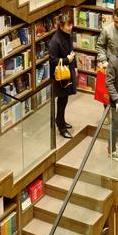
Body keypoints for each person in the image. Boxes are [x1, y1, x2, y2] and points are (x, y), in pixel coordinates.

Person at [48, 11, 76, 139]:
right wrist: (67, 61)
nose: (70, 28)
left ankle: (60, 120)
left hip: (68, 71)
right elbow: (52, 60)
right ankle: (61, 127)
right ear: (61, 26)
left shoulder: (68, 36)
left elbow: (71, 51)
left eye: (70, 25)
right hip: (60, 75)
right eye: (67, 25)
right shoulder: (55, 41)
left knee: (64, 100)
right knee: (61, 100)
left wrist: (74, 66)